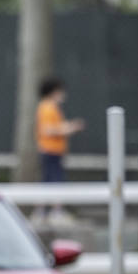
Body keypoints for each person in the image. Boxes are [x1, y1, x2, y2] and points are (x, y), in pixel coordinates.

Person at [34, 77, 84, 224]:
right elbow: (48, 130)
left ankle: (43, 212)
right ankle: (54, 212)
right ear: (53, 92)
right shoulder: (48, 107)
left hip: (52, 151)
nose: (63, 94)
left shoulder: (48, 107)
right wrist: (70, 128)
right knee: (55, 181)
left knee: (49, 180)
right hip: (50, 151)